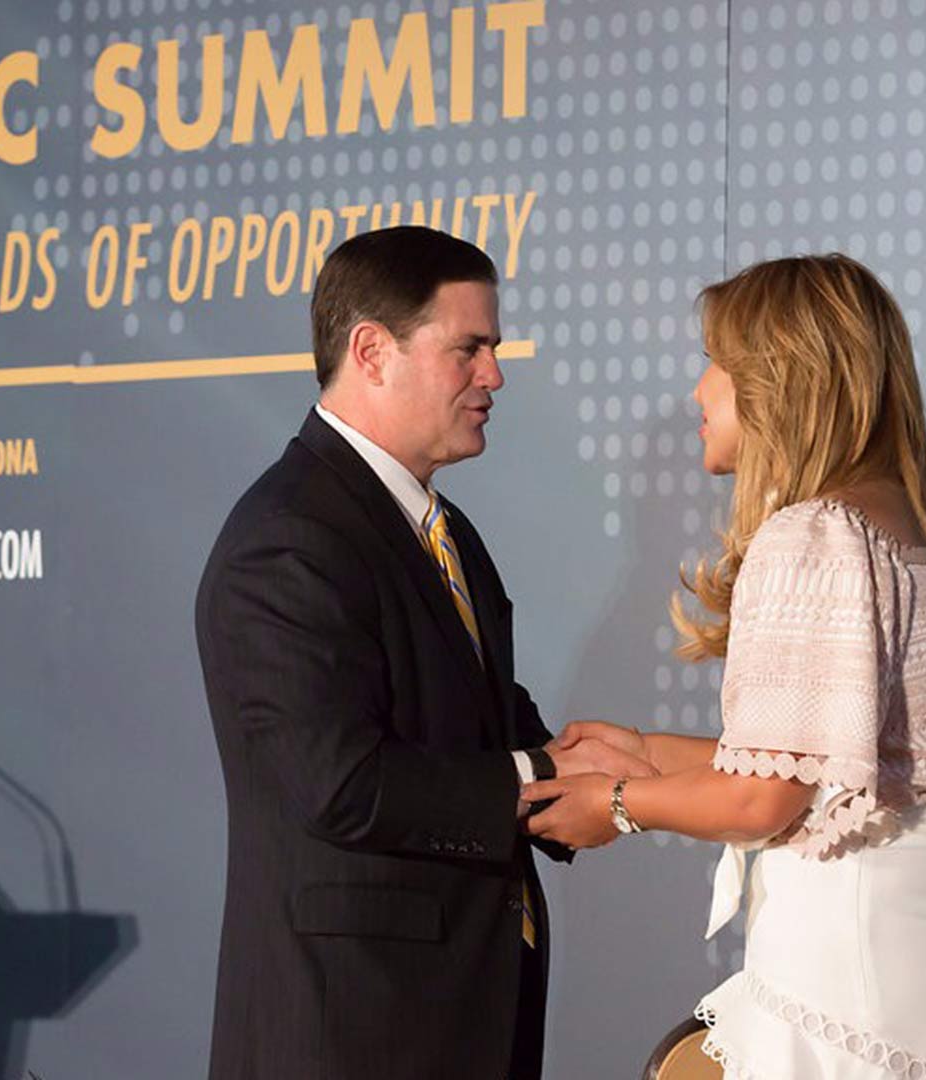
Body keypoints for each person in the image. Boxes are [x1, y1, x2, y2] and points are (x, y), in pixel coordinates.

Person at [525, 254, 926, 1079]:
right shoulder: (903, 531)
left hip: (852, 981)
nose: (698, 391)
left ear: (779, 381)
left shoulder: (812, 535)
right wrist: (646, 749)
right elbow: (829, 761)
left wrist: (616, 805)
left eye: (714, 364)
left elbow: (766, 799)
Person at [195, 226, 651, 1080]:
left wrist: (582, 767)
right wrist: (538, 774)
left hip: (457, 1014)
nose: (495, 374)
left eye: (495, 347)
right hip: (354, 1032)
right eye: (469, 348)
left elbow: (474, 722)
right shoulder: (288, 539)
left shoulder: (448, 534)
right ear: (371, 350)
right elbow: (339, 781)